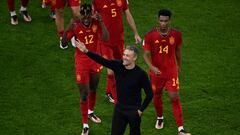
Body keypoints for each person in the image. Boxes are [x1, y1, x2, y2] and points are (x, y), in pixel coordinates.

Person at [75, 40, 153, 135]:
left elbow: (150, 94)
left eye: (127, 56)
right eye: (124, 54)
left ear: (134, 58)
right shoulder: (118, 65)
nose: (124, 57)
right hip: (119, 109)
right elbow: (102, 60)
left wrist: (140, 110)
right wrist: (86, 51)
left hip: (134, 111)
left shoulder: (141, 74)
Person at [61, 4, 109, 135]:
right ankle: (85, 125)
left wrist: (101, 22)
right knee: (84, 94)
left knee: (93, 89)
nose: (86, 18)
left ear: (91, 14)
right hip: (82, 63)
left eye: (88, 15)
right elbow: (63, 44)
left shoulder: (96, 22)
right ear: (80, 15)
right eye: (84, 15)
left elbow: (106, 38)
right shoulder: (75, 25)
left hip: (95, 60)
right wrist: (67, 28)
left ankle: (91, 112)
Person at [142, 9, 191, 135]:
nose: (163, 23)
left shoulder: (176, 35)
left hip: (171, 72)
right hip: (156, 73)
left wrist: (179, 66)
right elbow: (146, 55)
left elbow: (178, 51)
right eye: (161, 20)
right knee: (156, 95)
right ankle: (160, 118)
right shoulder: (150, 35)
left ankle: (180, 128)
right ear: (158, 20)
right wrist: (152, 67)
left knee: (174, 97)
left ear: (170, 21)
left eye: (166, 21)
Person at [92, 0, 142, 104]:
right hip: (105, 42)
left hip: (119, 41)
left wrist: (136, 33)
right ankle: (118, 102)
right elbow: (92, 19)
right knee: (110, 72)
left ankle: (109, 92)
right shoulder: (97, 1)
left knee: (121, 67)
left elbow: (128, 15)